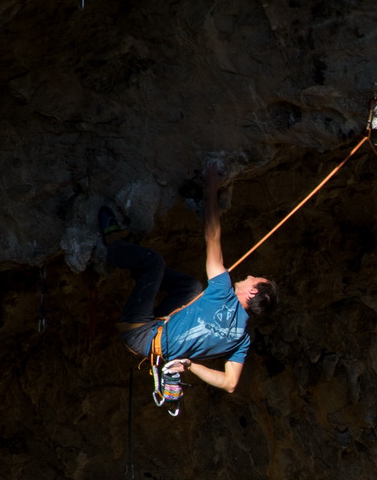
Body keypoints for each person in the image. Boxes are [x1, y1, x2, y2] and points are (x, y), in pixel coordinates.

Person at [101, 162, 278, 394]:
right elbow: (230, 383)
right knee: (192, 287)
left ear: (253, 291)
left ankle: (113, 245)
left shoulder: (223, 292)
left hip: (140, 330)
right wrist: (190, 364)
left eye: (255, 278)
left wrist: (210, 188)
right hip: (151, 342)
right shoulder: (242, 341)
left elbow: (212, 235)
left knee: (154, 262)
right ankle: (140, 267)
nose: (250, 275)